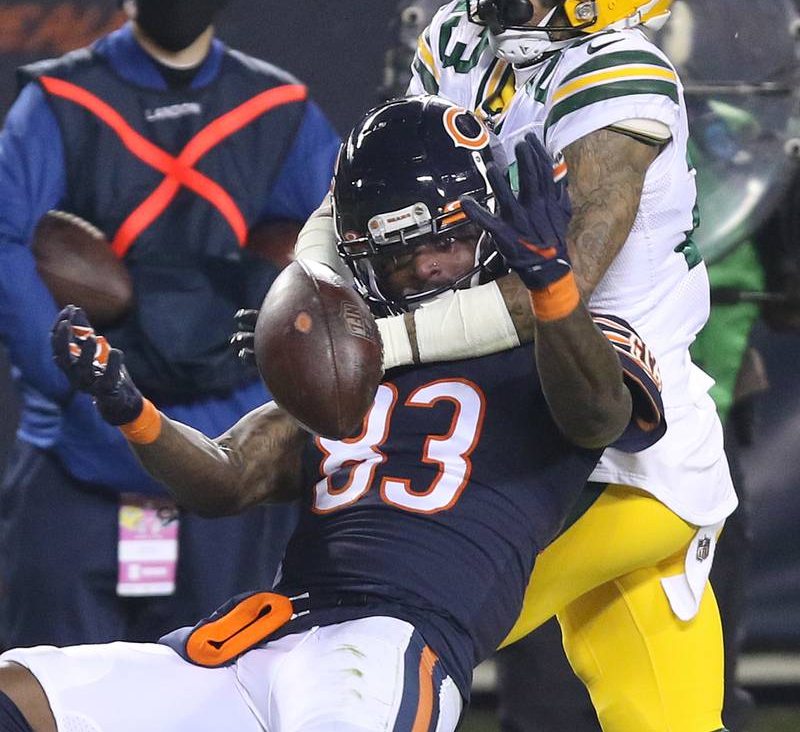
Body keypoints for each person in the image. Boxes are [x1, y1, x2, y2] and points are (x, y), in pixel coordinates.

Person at [0, 95, 666, 732]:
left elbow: (597, 417)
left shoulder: (562, 339)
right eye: (402, 254)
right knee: (18, 689)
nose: (430, 266)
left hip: (383, 642)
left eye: (451, 241)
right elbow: (228, 477)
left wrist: (552, 289)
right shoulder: (351, 354)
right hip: (259, 633)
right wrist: (132, 409)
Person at [295, 0, 736, 732]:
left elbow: (552, 286)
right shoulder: (466, 36)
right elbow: (367, 184)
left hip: (620, 442)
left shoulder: (622, 80)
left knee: (398, 622)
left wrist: (381, 339)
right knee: (669, 721)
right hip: (526, 408)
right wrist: (309, 283)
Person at [0, 0, 341, 648]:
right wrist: (69, 378)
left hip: (226, 451)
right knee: (50, 680)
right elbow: (3, 234)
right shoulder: (60, 97)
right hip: (82, 447)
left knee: (212, 686)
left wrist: (271, 374)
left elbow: (339, 246)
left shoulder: (279, 107)